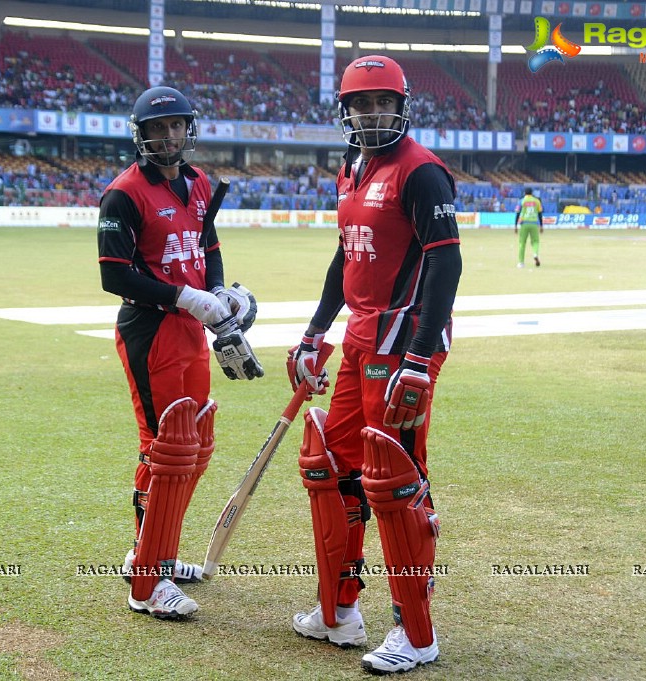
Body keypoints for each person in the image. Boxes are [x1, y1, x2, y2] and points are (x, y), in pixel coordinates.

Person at [287, 55, 462, 675]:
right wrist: (314, 331)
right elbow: (345, 261)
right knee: (333, 468)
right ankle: (340, 609)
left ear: (403, 104)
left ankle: (416, 632)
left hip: (403, 346)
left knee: (395, 481)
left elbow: (445, 264)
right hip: (361, 340)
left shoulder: (421, 172)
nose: (373, 113)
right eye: (362, 104)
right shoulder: (352, 168)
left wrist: (417, 358)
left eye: (384, 102)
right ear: (346, 111)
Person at [97, 85, 262, 620]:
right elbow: (113, 273)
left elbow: (208, 247)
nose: (168, 137)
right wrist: (184, 296)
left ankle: (156, 552)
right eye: (158, 127)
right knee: (163, 451)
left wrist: (216, 294)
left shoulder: (196, 183)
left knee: (191, 448)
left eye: (176, 126)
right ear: (140, 133)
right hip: (151, 329)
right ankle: (148, 579)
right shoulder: (123, 193)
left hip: (192, 328)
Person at [515, 187, 543, 267]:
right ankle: (535, 254)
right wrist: (541, 226)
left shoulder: (522, 201)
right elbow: (540, 214)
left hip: (524, 223)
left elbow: (517, 213)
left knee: (522, 243)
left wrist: (515, 226)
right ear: (532, 193)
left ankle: (521, 263)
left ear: (525, 193)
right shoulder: (537, 201)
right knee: (535, 242)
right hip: (534, 223)